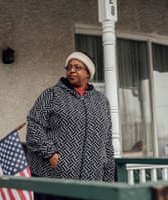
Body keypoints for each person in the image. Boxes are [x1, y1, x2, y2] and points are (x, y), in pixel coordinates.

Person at [26, 51, 115, 200]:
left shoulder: (101, 101)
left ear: (88, 73)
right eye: (69, 67)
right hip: (54, 179)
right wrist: (50, 154)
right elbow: (34, 126)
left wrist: (108, 178)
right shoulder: (52, 95)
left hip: (92, 182)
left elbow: (107, 140)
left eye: (77, 67)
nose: (71, 70)